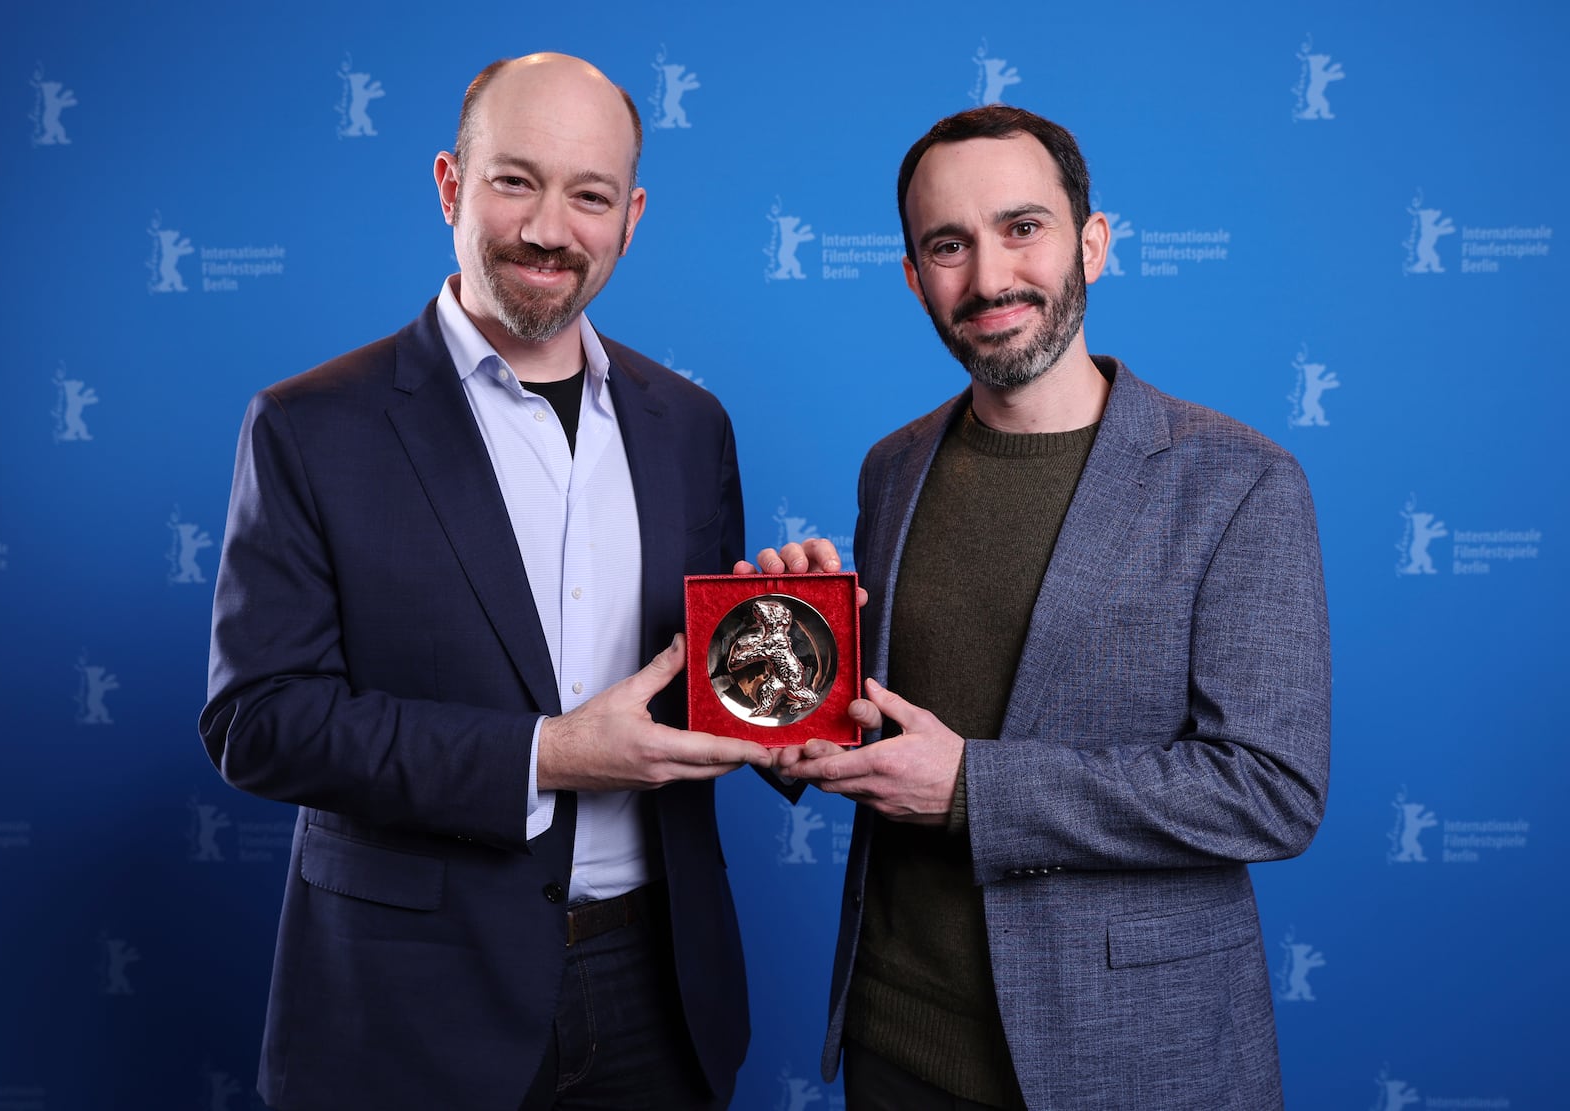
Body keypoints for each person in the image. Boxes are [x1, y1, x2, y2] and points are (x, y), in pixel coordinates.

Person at [199, 53, 812, 1111]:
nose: (548, 229)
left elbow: (702, 693)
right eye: (514, 181)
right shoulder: (310, 425)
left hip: (657, 989)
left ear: (631, 217)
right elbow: (260, 720)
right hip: (408, 1005)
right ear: (449, 185)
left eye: (589, 195)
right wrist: (547, 755)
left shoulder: (688, 426)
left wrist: (793, 668)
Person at [768, 105, 1332, 1110]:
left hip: (1126, 1060)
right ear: (912, 277)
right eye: (948, 245)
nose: (987, 280)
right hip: (894, 1039)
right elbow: (903, 722)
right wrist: (798, 694)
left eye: (1021, 228)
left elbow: (1270, 788)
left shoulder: (1239, 479)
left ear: (1093, 242)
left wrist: (971, 791)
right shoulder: (892, 467)